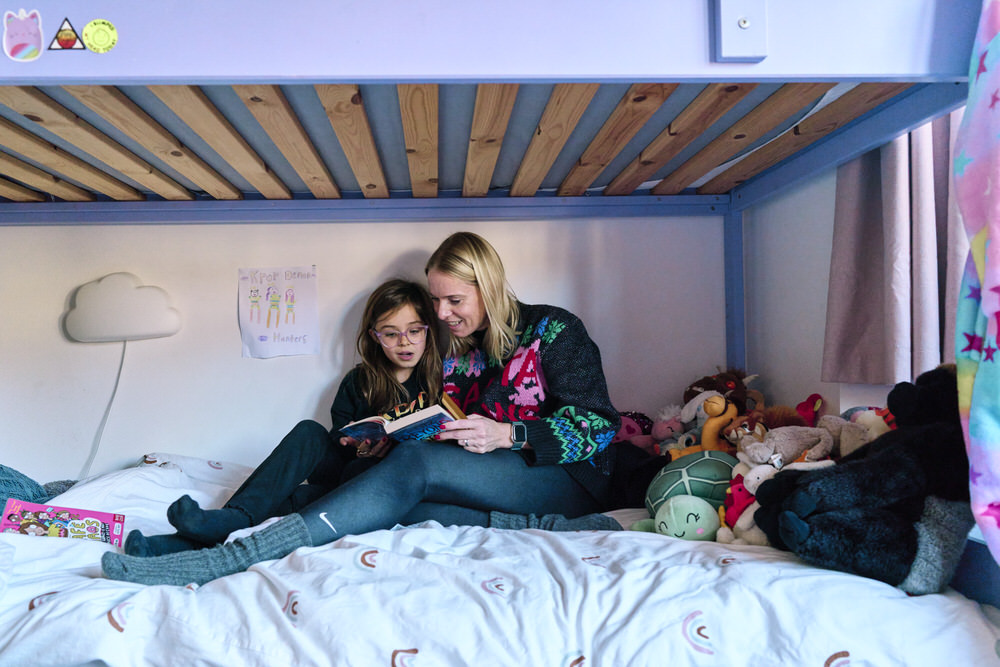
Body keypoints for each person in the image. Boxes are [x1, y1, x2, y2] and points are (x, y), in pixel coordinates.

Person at [101, 232, 621, 586]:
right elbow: (451, 430)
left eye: (454, 301)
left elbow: (599, 424)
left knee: (412, 470)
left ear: (488, 288)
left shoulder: (553, 330)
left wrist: (511, 436)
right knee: (398, 505)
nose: (442, 314)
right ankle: (188, 546)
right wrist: (402, 436)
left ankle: (224, 559)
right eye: (437, 302)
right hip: (499, 477)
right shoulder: (461, 355)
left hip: (568, 476)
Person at [124, 278, 444, 557]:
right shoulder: (360, 380)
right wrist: (356, 445)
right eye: (391, 334)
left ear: (428, 330)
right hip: (349, 470)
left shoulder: (440, 380)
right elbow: (337, 438)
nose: (405, 342)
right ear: (375, 336)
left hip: (382, 487)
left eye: (415, 331)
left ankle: (170, 546)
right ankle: (233, 517)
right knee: (308, 432)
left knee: (292, 501)